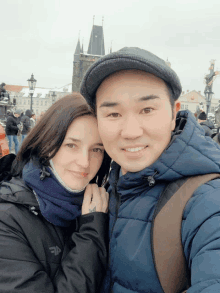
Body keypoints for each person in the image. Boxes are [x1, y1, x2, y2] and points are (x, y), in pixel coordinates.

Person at [80, 47, 220, 292]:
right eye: (113, 113)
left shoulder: (207, 201)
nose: (131, 131)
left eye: (147, 110)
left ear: (174, 112)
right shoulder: (106, 181)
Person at [0, 93, 111, 292]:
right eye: (71, 145)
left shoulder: (99, 203)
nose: (85, 162)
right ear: (46, 143)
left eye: (97, 149)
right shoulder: (7, 219)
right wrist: (92, 235)